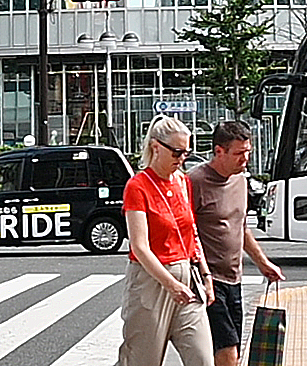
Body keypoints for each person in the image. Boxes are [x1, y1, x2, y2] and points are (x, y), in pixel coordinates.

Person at [188, 121, 285, 366]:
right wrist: (202, 273)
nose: (246, 159)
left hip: (234, 278)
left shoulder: (240, 180)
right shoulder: (195, 181)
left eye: (248, 152)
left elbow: (240, 227)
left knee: (232, 349)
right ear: (219, 151)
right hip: (207, 279)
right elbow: (186, 231)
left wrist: (263, 263)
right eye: (239, 153)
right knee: (227, 348)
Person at [118, 115, 212, 366]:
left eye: (187, 153)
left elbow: (191, 231)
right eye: (177, 152)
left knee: (202, 359)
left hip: (187, 277)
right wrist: (171, 284)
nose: (182, 159)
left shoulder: (183, 182)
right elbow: (139, 246)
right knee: (142, 361)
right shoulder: (137, 186)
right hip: (151, 280)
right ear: (156, 147)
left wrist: (206, 275)